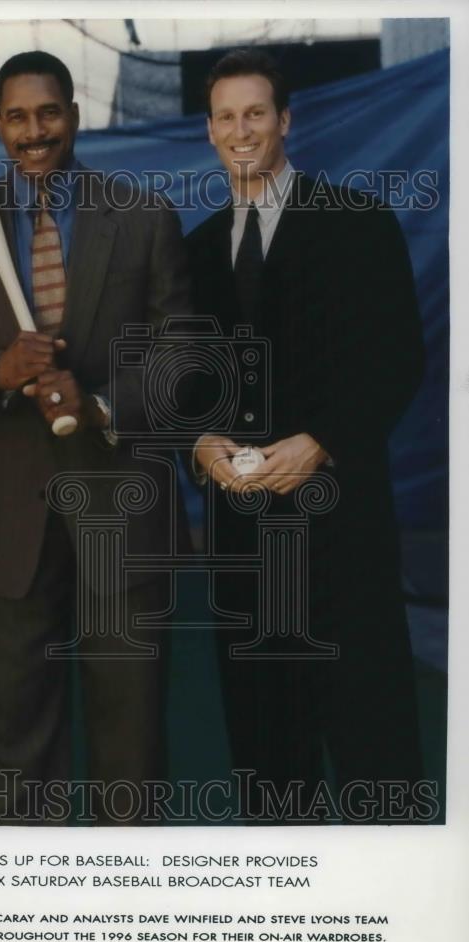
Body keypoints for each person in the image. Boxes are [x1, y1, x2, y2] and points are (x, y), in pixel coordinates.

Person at [0, 50, 191, 823]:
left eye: (47, 113)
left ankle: (123, 901)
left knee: (129, 733)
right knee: (13, 733)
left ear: (73, 113)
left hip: (123, 507)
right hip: (12, 519)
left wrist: (101, 403)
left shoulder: (142, 216)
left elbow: (181, 360)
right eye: (15, 116)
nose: (32, 132)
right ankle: (24, 895)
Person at [187, 49, 426, 821]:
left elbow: (396, 358)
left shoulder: (354, 221)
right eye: (225, 116)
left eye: (255, 112)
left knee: (370, 741)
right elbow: (186, 381)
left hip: (340, 524)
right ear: (210, 130)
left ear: (284, 121)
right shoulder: (194, 251)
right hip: (242, 534)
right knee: (266, 752)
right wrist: (200, 444)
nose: (240, 129)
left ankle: (387, 913)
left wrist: (319, 439)